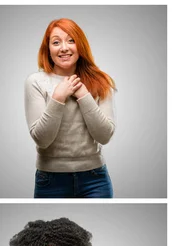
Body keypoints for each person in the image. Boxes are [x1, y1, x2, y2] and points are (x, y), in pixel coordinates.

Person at [24, 19, 116, 198]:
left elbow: (104, 136)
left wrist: (83, 95)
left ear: (80, 45)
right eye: (56, 42)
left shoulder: (101, 81)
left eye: (71, 40)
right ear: (48, 49)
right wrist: (58, 97)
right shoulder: (35, 82)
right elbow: (42, 140)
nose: (64, 48)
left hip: (95, 179)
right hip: (49, 180)